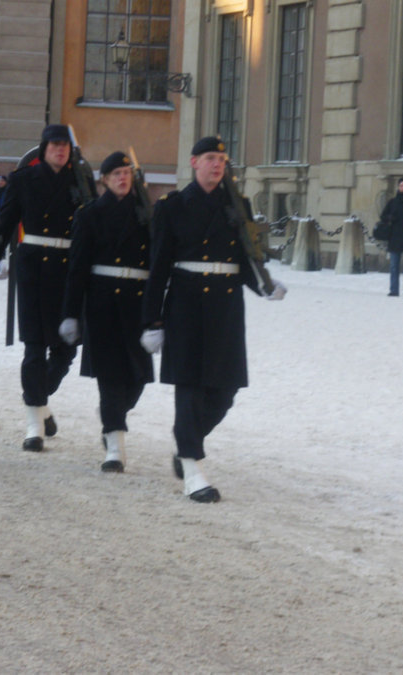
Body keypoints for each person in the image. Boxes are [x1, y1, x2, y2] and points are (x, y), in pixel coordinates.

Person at [141, 136, 286, 503]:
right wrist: (152, 320)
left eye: (221, 159)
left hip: (225, 307)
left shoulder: (237, 206)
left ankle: (186, 443)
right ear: (194, 163)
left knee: (224, 393)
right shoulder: (173, 207)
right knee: (189, 388)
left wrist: (264, 286)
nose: (217, 164)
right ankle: (193, 468)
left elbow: (246, 260)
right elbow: (158, 268)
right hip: (186, 305)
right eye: (210, 158)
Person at [0, 123, 97, 451]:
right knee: (34, 348)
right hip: (34, 267)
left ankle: (38, 400)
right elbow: (6, 222)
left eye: (64, 145)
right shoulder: (23, 180)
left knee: (65, 350)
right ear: (43, 148)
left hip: (70, 269)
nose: (60, 150)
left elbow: (95, 224)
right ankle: (33, 425)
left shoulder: (81, 180)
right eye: (54, 145)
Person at [59, 151, 154, 473]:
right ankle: (115, 444)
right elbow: (77, 268)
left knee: (137, 379)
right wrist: (71, 313)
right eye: (116, 174)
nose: (122, 178)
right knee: (111, 379)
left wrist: (159, 313)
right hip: (102, 306)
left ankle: (113, 418)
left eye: (127, 173)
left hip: (138, 304)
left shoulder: (147, 214)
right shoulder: (90, 215)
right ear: (104, 180)